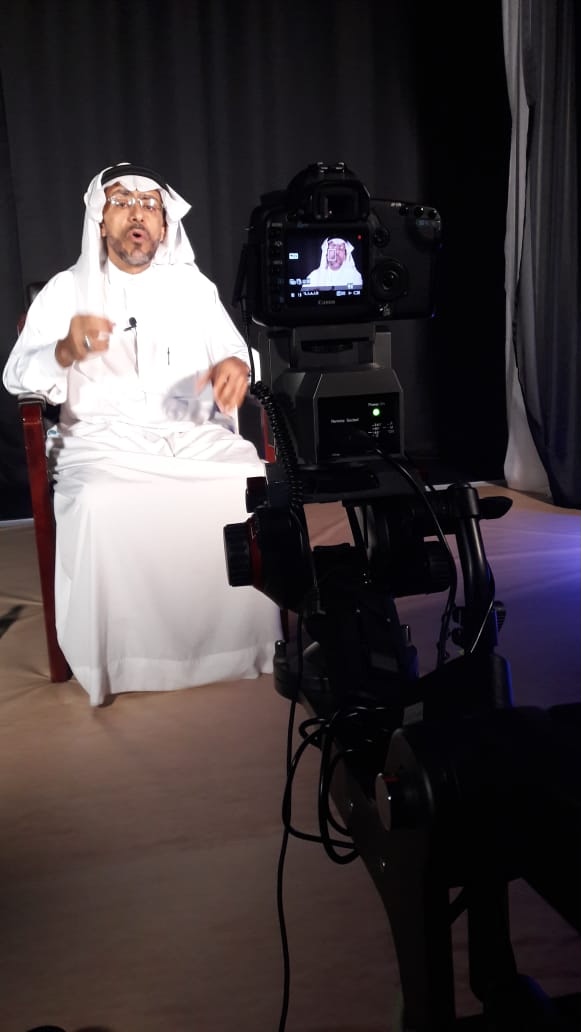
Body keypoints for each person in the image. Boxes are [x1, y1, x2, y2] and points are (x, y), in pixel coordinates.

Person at [3, 161, 282, 707]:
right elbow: (18, 377)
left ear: (164, 223)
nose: (138, 213)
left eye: (150, 204)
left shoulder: (192, 287)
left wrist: (236, 365)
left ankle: (240, 647)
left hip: (192, 433)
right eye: (122, 202)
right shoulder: (65, 290)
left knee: (249, 482)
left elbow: (239, 354)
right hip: (101, 441)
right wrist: (65, 349)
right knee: (101, 501)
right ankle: (123, 661)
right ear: (99, 219)